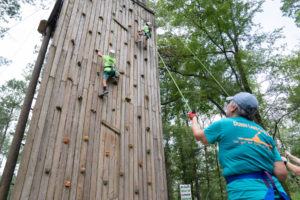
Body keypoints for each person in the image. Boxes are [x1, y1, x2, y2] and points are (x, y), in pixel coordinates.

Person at [189, 92, 290, 200]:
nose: (227, 105)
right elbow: (282, 174)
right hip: (277, 194)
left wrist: (194, 118)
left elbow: (199, 136)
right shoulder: (265, 134)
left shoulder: (224, 124)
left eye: (229, 103)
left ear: (234, 107)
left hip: (245, 194)